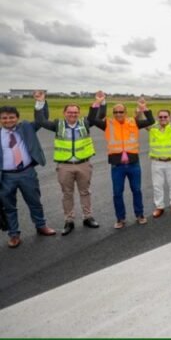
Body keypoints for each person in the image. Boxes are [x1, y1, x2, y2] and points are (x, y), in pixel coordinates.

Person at [33, 90, 100, 235]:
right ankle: (69, 220)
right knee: (67, 194)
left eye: (75, 112)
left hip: (83, 164)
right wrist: (40, 102)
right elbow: (41, 121)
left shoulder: (85, 123)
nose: (73, 115)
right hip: (65, 166)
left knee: (85, 192)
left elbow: (94, 117)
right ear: (65, 113)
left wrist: (98, 102)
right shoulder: (58, 125)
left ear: (79, 113)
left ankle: (88, 217)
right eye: (70, 112)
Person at [89, 93, 155, 229]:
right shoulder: (108, 123)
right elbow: (92, 119)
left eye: (121, 111)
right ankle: (120, 218)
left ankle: (140, 215)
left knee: (136, 190)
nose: (118, 114)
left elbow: (151, 121)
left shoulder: (133, 122)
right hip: (117, 165)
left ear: (125, 112)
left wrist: (144, 109)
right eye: (115, 112)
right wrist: (97, 103)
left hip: (133, 164)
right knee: (117, 193)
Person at [0, 105, 56, 248]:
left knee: (35, 202)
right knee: (8, 207)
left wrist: (40, 102)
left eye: (11, 117)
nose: (8, 120)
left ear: (17, 118)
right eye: (4, 118)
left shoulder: (26, 128)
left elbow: (41, 119)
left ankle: (41, 225)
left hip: (27, 173)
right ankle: (14, 234)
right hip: (6, 176)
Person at [147, 109, 171, 218]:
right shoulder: (153, 130)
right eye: (160, 117)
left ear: (169, 117)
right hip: (156, 162)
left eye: (165, 117)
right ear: (158, 118)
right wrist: (143, 110)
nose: (163, 119)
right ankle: (159, 207)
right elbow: (144, 124)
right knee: (157, 186)